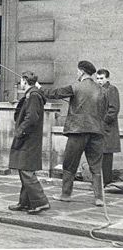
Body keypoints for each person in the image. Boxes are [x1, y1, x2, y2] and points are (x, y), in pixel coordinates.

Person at [38, 60, 107, 205]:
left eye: (77, 71)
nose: (76, 73)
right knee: (96, 165)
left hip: (77, 131)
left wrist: (39, 88)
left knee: (69, 164)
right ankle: (99, 198)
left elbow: (56, 93)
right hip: (96, 132)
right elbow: (104, 110)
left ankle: (66, 194)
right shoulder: (101, 89)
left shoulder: (75, 87)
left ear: (82, 72)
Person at [8, 71, 50, 215]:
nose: (20, 84)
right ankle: (25, 202)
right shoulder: (32, 95)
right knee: (23, 168)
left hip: (28, 139)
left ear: (25, 81)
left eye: (21, 81)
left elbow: (32, 118)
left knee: (26, 170)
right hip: (29, 138)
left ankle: (41, 202)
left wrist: (20, 132)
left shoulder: (33, 96)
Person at [96, 68, 120, 186]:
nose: (99, 81)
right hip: (99, 128)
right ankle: (100, 182)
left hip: (107, 129)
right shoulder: (98, 91)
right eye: (97, 78)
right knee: (99, 154)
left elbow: (113, 110)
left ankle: (105, 182)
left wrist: (103, 123)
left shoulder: (112, 90)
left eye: (101, 78)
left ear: (107, 78)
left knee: (106, 156)